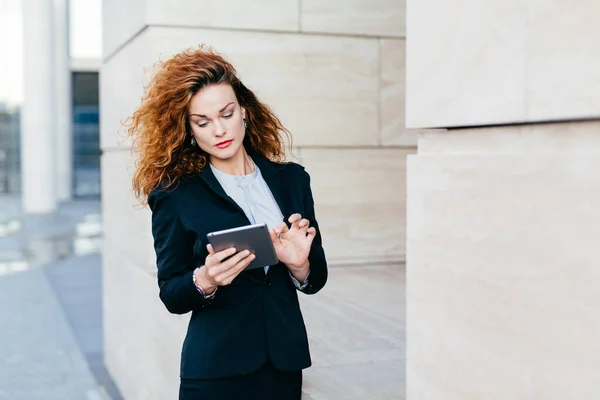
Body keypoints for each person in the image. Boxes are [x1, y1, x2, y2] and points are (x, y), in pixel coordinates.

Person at [126, 46, 328, 399]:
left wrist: (300, 265)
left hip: (283, 364)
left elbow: (316, 278)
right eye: (202, 122)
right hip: (215, 370)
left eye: (227, 113)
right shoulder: (175, 195)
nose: (219, 130)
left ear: (245, 113)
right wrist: (205, 279)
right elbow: (172, 293)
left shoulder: (292, 180)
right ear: (188, 129)